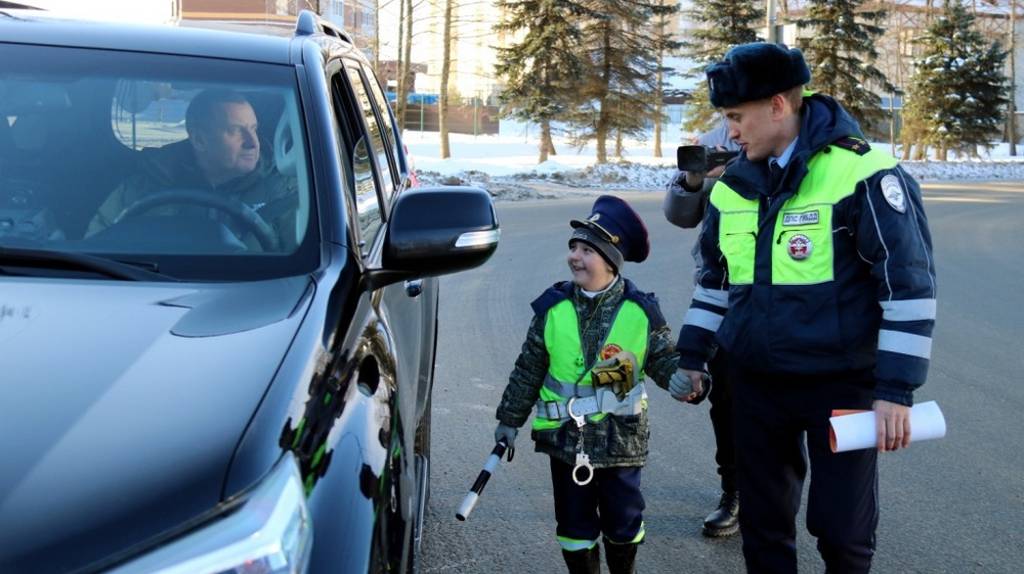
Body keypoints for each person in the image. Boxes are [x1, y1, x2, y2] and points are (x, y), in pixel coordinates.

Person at [675, 43, 936, 573]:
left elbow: (906, 286)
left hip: (840, 385)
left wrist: (895, 391)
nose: (729, 133)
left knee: (842, 532)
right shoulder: (731, 191)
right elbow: (714, 285)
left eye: (735, 118)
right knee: (764, 530)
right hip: (756, 385)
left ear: (777, 105)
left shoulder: (864, 174)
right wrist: (691, 357)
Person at [493, 195, 699, 574]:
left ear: (610, 260)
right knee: (573, 527)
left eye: (587, 249)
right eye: (573, 247)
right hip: (564, 439)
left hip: (621, 440)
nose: (575, 256)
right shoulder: (552, 308)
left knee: (624, 524)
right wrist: (509, 420)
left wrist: (680, 379)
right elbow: (528, 369)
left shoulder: (640, 310)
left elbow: (661, 357)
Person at [87, 88, 297, 249]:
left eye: (253, 129)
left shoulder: (282, 191)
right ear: (199, 140)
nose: (253, 142)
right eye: (235, 131)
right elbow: (95, 249)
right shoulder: (141, 189)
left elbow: (305, 271)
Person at [663, 119, 744, 537]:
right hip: (722, 291)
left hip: (782, 297)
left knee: (782, 403)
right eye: (727, 110)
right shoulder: (713, 141)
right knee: (726, 400)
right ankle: (733, 491)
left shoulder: (788, 138)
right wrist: (695, 179)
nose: (734, 123)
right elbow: (679, 215)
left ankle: (772, 491)